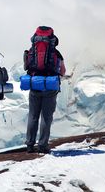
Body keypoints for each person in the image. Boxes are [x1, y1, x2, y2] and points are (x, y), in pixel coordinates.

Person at [24, 26, 66, 154]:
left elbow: (26, 67)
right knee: (46, 117)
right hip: (50, 86)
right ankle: (42, 145)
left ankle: (30, 145)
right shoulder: (56, 53)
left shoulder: (31, 51)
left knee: (33, 115)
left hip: (35, 85)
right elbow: (63, 72)